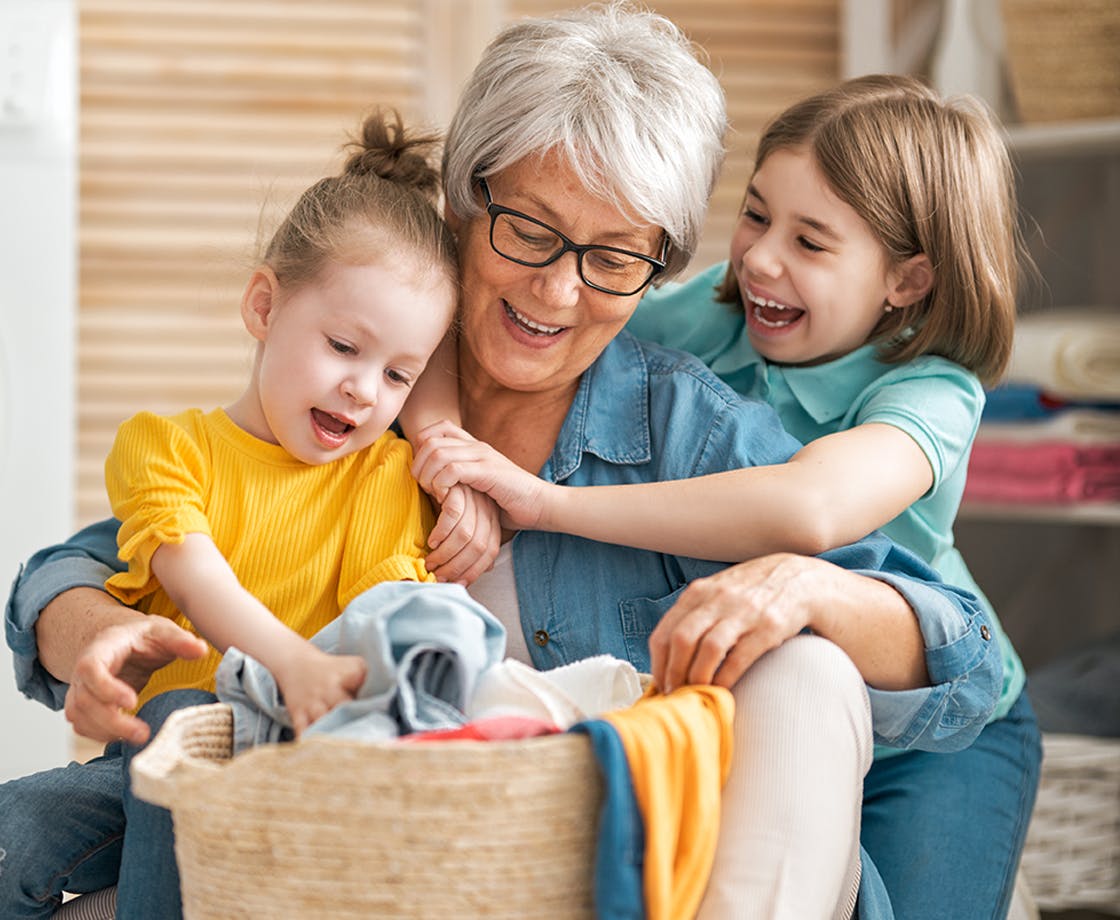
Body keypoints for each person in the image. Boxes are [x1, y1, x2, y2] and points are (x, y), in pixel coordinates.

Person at [5, 6, 1007, 920]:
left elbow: (956, 644)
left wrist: (801, 585)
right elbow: (96, 560)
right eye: (529, 230)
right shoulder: (361, 387)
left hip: (632, 880)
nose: (559, 293)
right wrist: (91, 630)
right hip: (376, 866)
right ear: (458, 205)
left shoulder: (686, 431)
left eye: (614, 258)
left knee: (810, 657)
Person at [410, 73, 1042, 919]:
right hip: (782, 685)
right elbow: (485, 316)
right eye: (754, 215)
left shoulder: (930, 392)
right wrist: (443, 442)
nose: (759, 259)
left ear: (908, 281)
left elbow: (810, 509)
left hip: (936, 718)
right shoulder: (708, 318)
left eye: (811, 242)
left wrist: (542, 503)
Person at [0, 107, 458, 919]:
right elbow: (192, 569)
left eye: (399, 375)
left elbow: (387, 610)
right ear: (262, 307)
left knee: (186, 709)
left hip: (289, 768)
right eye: (346, 347)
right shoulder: (165, 448)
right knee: (15, 830)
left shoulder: (382, 477)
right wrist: (294, 659)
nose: (363, 389)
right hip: (146, 765)